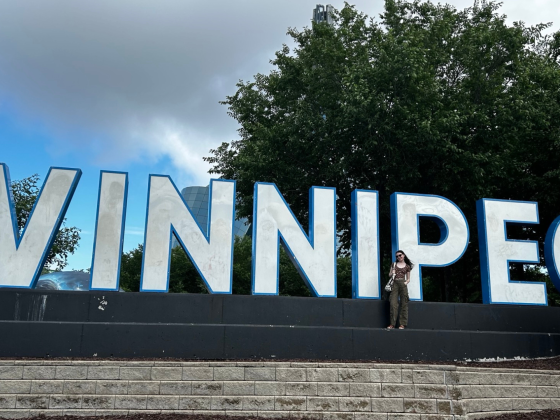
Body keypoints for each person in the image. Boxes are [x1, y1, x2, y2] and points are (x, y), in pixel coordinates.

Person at [387, 250, 414, 330]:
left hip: (403, 283)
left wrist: (405, 282)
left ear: (404, 255)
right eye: (397, 256)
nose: (399, 257)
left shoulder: (407, 266)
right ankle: (392, 324)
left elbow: (408, 278)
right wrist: (393, 272)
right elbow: (389, 275)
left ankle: (402, 324)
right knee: (393, 304)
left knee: (404, 303)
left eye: (400, 255)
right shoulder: (394, 264)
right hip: (394, 283)